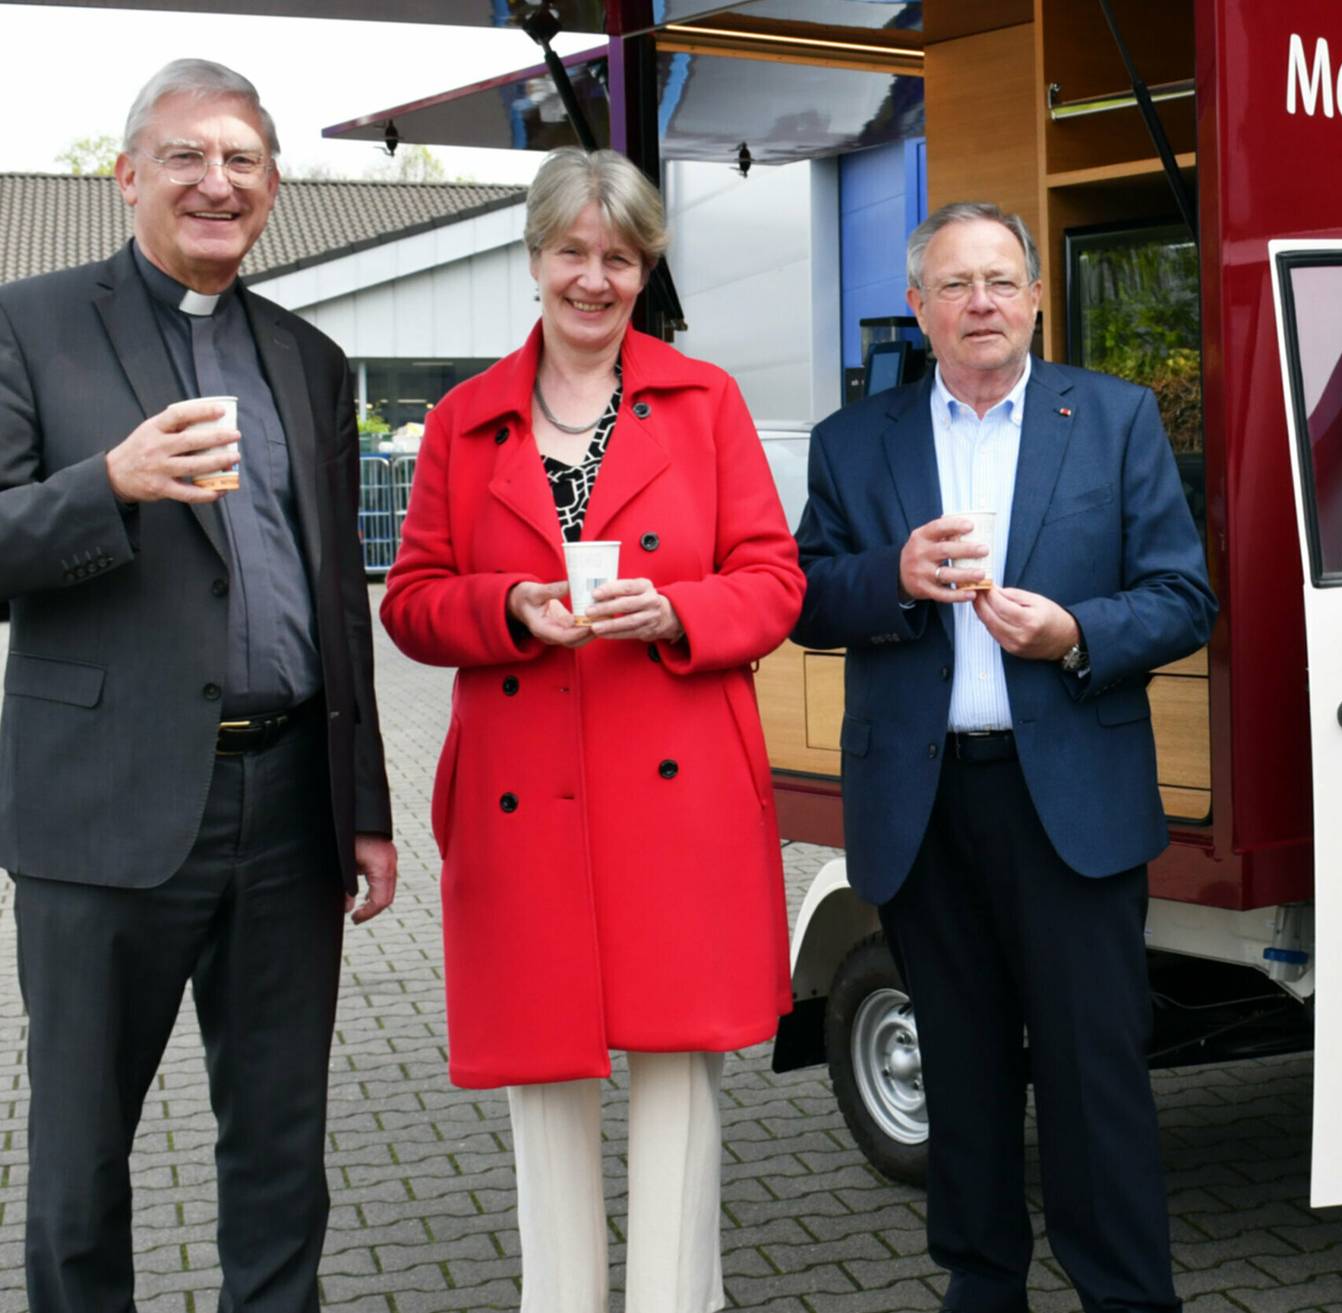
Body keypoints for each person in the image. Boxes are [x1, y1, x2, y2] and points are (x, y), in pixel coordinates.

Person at [0, 58, 398, 1312]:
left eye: (242, 159)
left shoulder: (311, 357)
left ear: (273, 187)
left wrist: (365, 803)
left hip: (288, 804)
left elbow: (342, 604)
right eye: (185, 155)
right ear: (127, 176)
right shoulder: (30, 322)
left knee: (281, 1149)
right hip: (101, 807)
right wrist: (104, 484)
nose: (214, 182)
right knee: (79, 1159)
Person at [379, 146, 804, 1313]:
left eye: (618, 256)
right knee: (544, 1073)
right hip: (525, 782)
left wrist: (679, 608)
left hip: (677, 781)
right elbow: (410, 600)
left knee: (678, 1070)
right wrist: (505, 606)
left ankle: (678, 1300)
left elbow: (775, 579)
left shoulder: (703, 400)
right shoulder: (463, 421)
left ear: (645, 266)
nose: (593, 278)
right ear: (533, 260)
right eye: (571, 251)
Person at [793, 201, 1216, 1313]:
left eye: (1000, 279)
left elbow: (1183, 594)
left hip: (1069, 800)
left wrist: (1075, 632)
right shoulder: (855, 443)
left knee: (1096, 1077)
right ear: (921, 309)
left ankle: (1127, 1295)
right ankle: (981, 1286)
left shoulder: (1115, 419)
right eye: (954, 283)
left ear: (1034, 297)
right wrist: (892, 573)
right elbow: (801, 597)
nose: (980, 301)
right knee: (965, 1074)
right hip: (924, 805)